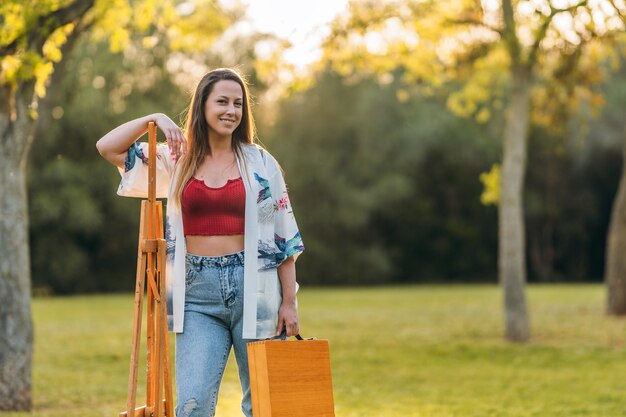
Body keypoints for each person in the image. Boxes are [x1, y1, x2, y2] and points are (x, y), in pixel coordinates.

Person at [96, 68, 304, 417]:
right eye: (221, 101)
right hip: (196, 293)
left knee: (267, 407)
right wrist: (155, 118)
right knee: (191, 407)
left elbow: (282, 238)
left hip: (256, 288)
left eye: (238, 104)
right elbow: (107, 147)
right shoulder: (176, 158)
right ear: (202, 106)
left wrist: (290, 302)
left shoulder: (260, 163)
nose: (231, 111)